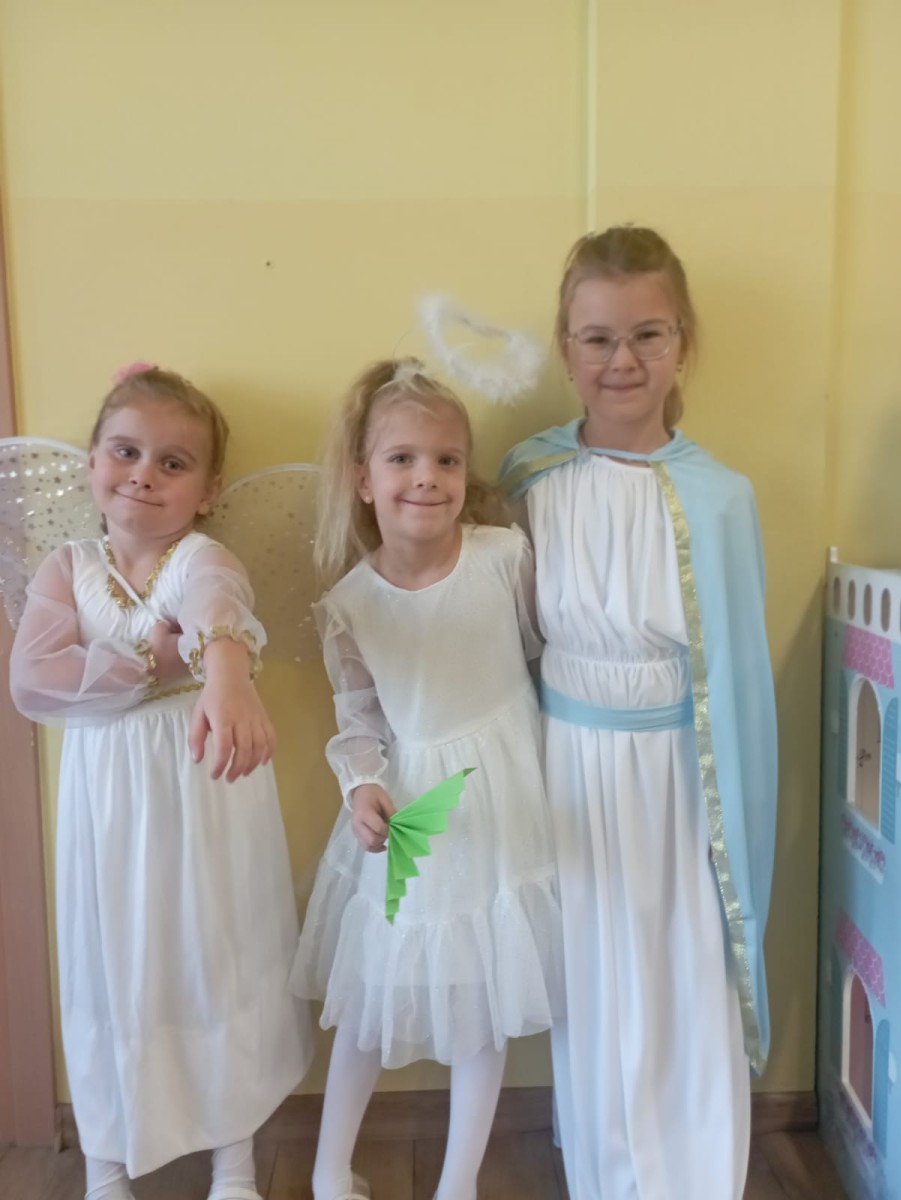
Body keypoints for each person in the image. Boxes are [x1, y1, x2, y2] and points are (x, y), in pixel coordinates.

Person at [499, 226, 778, 1200]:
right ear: (565, 349)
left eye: (647, 335)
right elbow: (499, 632)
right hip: (564, 763)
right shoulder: (527, 478)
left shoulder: (719, 497)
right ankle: (605, 1170)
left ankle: (693, 1173)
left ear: (682, 343)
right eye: (597, 338)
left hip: (677, 773)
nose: (622, 360)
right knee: (594, 969)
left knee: (680, 961)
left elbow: (737, 676)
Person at [9, 366, 312, 1200]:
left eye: (173, 463)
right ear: (91, 463)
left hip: (203, 788)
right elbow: (35, 680)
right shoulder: (67, 567)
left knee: (219, 955)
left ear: (208, 491)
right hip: (108, 803)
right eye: (125, 451)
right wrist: (162, 659)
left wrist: (225, 671)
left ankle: (233, 1161)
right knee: (109, 963)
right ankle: (106, 1162)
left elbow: (219, 607)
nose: (144, 474)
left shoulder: (200, 558)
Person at [291, 359, 562, 1200]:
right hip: (414, 805)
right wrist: (359, 785)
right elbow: (358, 719)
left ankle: (458, 1182)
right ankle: (329, 1168)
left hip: (506, 798)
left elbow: (544, 656)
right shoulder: (350, 603)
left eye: (447, 459)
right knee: (374, 987)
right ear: (362, 479)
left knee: (485, 993)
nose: (427, 477)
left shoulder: (503, 557)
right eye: (402, 459)